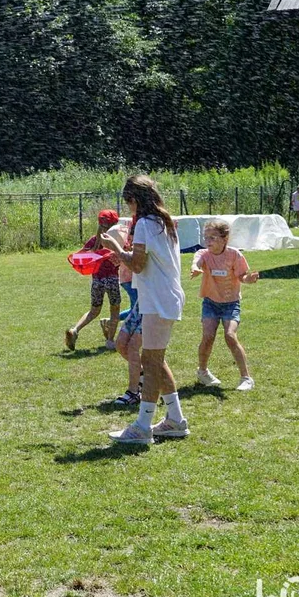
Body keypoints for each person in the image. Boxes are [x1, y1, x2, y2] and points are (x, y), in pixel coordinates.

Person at [100, 175, 188, 444]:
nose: (129, 209)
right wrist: (124, 254)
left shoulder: (146, 224)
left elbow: (137, 265)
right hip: (161, 298)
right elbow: (145, 261)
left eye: (129, 203)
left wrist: (114, 246)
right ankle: (175, 420)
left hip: (159, 300)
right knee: (154, 360)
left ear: (135, 200)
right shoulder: (161, 221)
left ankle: (142, 426)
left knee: (151, 363)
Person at [191, 220, 260, 391]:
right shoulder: (203, 254)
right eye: (206, 237)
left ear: (225, 238)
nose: (208, 241)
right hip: (210, 303)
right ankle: (203, 372)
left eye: (213, 237)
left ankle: (246, 378)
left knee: (230, 335)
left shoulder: (234, 255)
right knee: (208, 337)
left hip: (231, 303)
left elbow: (242, 276)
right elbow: (197, 261)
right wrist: (195, 268)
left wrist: (248, 280)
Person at [66, 210, 121, 351]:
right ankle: (110, 341)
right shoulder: (117, 239)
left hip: (97, 280)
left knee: (94, 311)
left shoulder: (93, 240)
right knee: (114, 311)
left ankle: (75, 330)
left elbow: (81, 255)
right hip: (113, 280)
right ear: (115, 224)